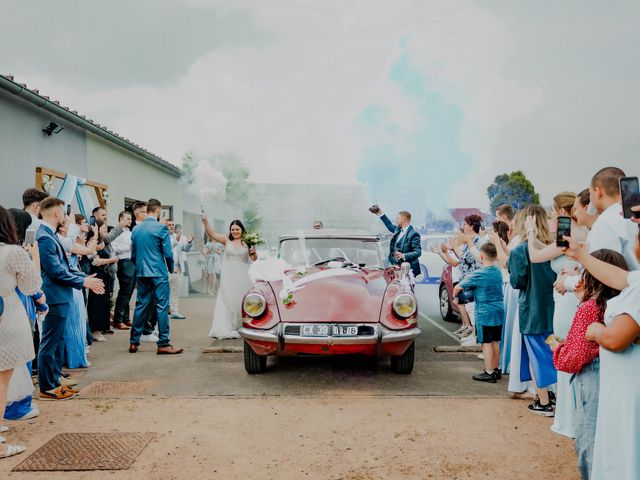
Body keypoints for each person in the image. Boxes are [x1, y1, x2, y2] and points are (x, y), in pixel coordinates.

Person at [562, 219, 640, 480]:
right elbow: (619, 277)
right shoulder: (631, 282)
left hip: (621, 386)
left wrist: (596, 331)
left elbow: (617, 339)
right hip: (617, 384)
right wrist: (581, 255)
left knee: (599, 440)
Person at [549, 249, 627, 480]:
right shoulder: (622, 302)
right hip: (619, 374)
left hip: (592, 375)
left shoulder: (588, 308)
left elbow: (573, 358)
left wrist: (558, 349)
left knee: (588, 436)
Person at [525, 192, 588, 438]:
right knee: (575, 352)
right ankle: (572, 414)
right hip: (572, 299)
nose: (551, 215)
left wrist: (530, 231)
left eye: (553, 211)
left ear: (562, 212)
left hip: (567, 301)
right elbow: (549, 250)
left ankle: (568, 418)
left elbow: (535, 255)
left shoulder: (567, 236)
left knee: (563, 351)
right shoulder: (581, 234)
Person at [36, 197, 104, 400]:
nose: (65, 217)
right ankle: (47, 388)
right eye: (64, 213)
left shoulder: (50, 235)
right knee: (49, 343)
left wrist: (83, 276)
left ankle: (55, 382)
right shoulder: (45, 237)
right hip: (54, 297)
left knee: (58, 341)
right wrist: (82, 283)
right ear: (56, 213)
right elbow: (55, 271)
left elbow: (64, 268)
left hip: (61, 295)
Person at [0, 205, 42, 458]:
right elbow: (30, 286)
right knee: (1, 381)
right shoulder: (12, 252)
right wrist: (33, 257)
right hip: (6, 319)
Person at [508, 205, 557, 416]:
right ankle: (552, 395)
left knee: (535, 355)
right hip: (554, 308)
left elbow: (517, 281)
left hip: (533, 308)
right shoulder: (556, 246)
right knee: (553, 352)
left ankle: (543, 400)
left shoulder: (520, 251)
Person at [128, 199, 182, 354]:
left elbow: (133, 254)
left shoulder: (136, 230)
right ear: (158, 210)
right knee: (162, 306)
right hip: (158, 272)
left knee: (140, 305)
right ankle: (163, 343)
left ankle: (134, 342)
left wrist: (139, 267)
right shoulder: (161, 228)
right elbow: (168, 253)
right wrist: (170, 268)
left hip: (142, 272)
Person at [454, 242, 505, 382]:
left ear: (481, 256)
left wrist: (455, 296)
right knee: (495, 341)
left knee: (486, 342)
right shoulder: (497, 271)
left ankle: (488, 372)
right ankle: (496, 369)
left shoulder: (479, 273)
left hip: (485, 311)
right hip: (498, 309)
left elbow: (459, 287)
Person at [202, 217, 257, 339]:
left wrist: (253, 252)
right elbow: (212, 234)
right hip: (228, 275)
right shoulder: (226, 239)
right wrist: (206, 223)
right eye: (232, 229)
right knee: (227, 298)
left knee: (241, 299)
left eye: (237, 229)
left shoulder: (248, 241)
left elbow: (253, 259)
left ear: (242, 230)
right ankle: (226, 326)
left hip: (243, 275)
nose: (234, 231)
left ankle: (242, 324)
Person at [86, 220, 117, 342]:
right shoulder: (92, 243)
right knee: (96, 302)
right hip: (96, 274)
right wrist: (112, 259)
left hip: (104, 274)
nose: (105, 231)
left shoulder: (103, 243)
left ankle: (101, 328)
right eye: (103, 229)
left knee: (104, 302)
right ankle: (95, 330)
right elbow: (95, 261)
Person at [371, 207, 422, 277]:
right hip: (397, 268)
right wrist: (380, 213)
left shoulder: (413, 234)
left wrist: (403, 255)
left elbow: (418, 252)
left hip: (409, 271)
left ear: (404, 220)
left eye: (398, 218)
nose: (396, 220)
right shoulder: (397, 230)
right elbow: (389, 224)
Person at [111, 211, 134, 330]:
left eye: (130, 219)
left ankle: (126, 318)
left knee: (129, 292)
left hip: (132, 262)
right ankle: (117, 320)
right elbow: (113, 247)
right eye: (127, 219)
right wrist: (128, 247)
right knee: (124, 291)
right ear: (121, 219)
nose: (129, 221)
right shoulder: (116, 232)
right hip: (124, 262)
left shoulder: (131, 233)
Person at [169, 223, 193, 320]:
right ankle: (163, 311)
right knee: (163, 292)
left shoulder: (180, 237)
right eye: (168, 225)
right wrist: (176, 240)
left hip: (177, 268)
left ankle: (175, 311)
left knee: (175, 292)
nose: (171, 226)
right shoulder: (162, 237)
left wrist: (190, 242)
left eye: (172, 225)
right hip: (165, 269)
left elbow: (185, 249)